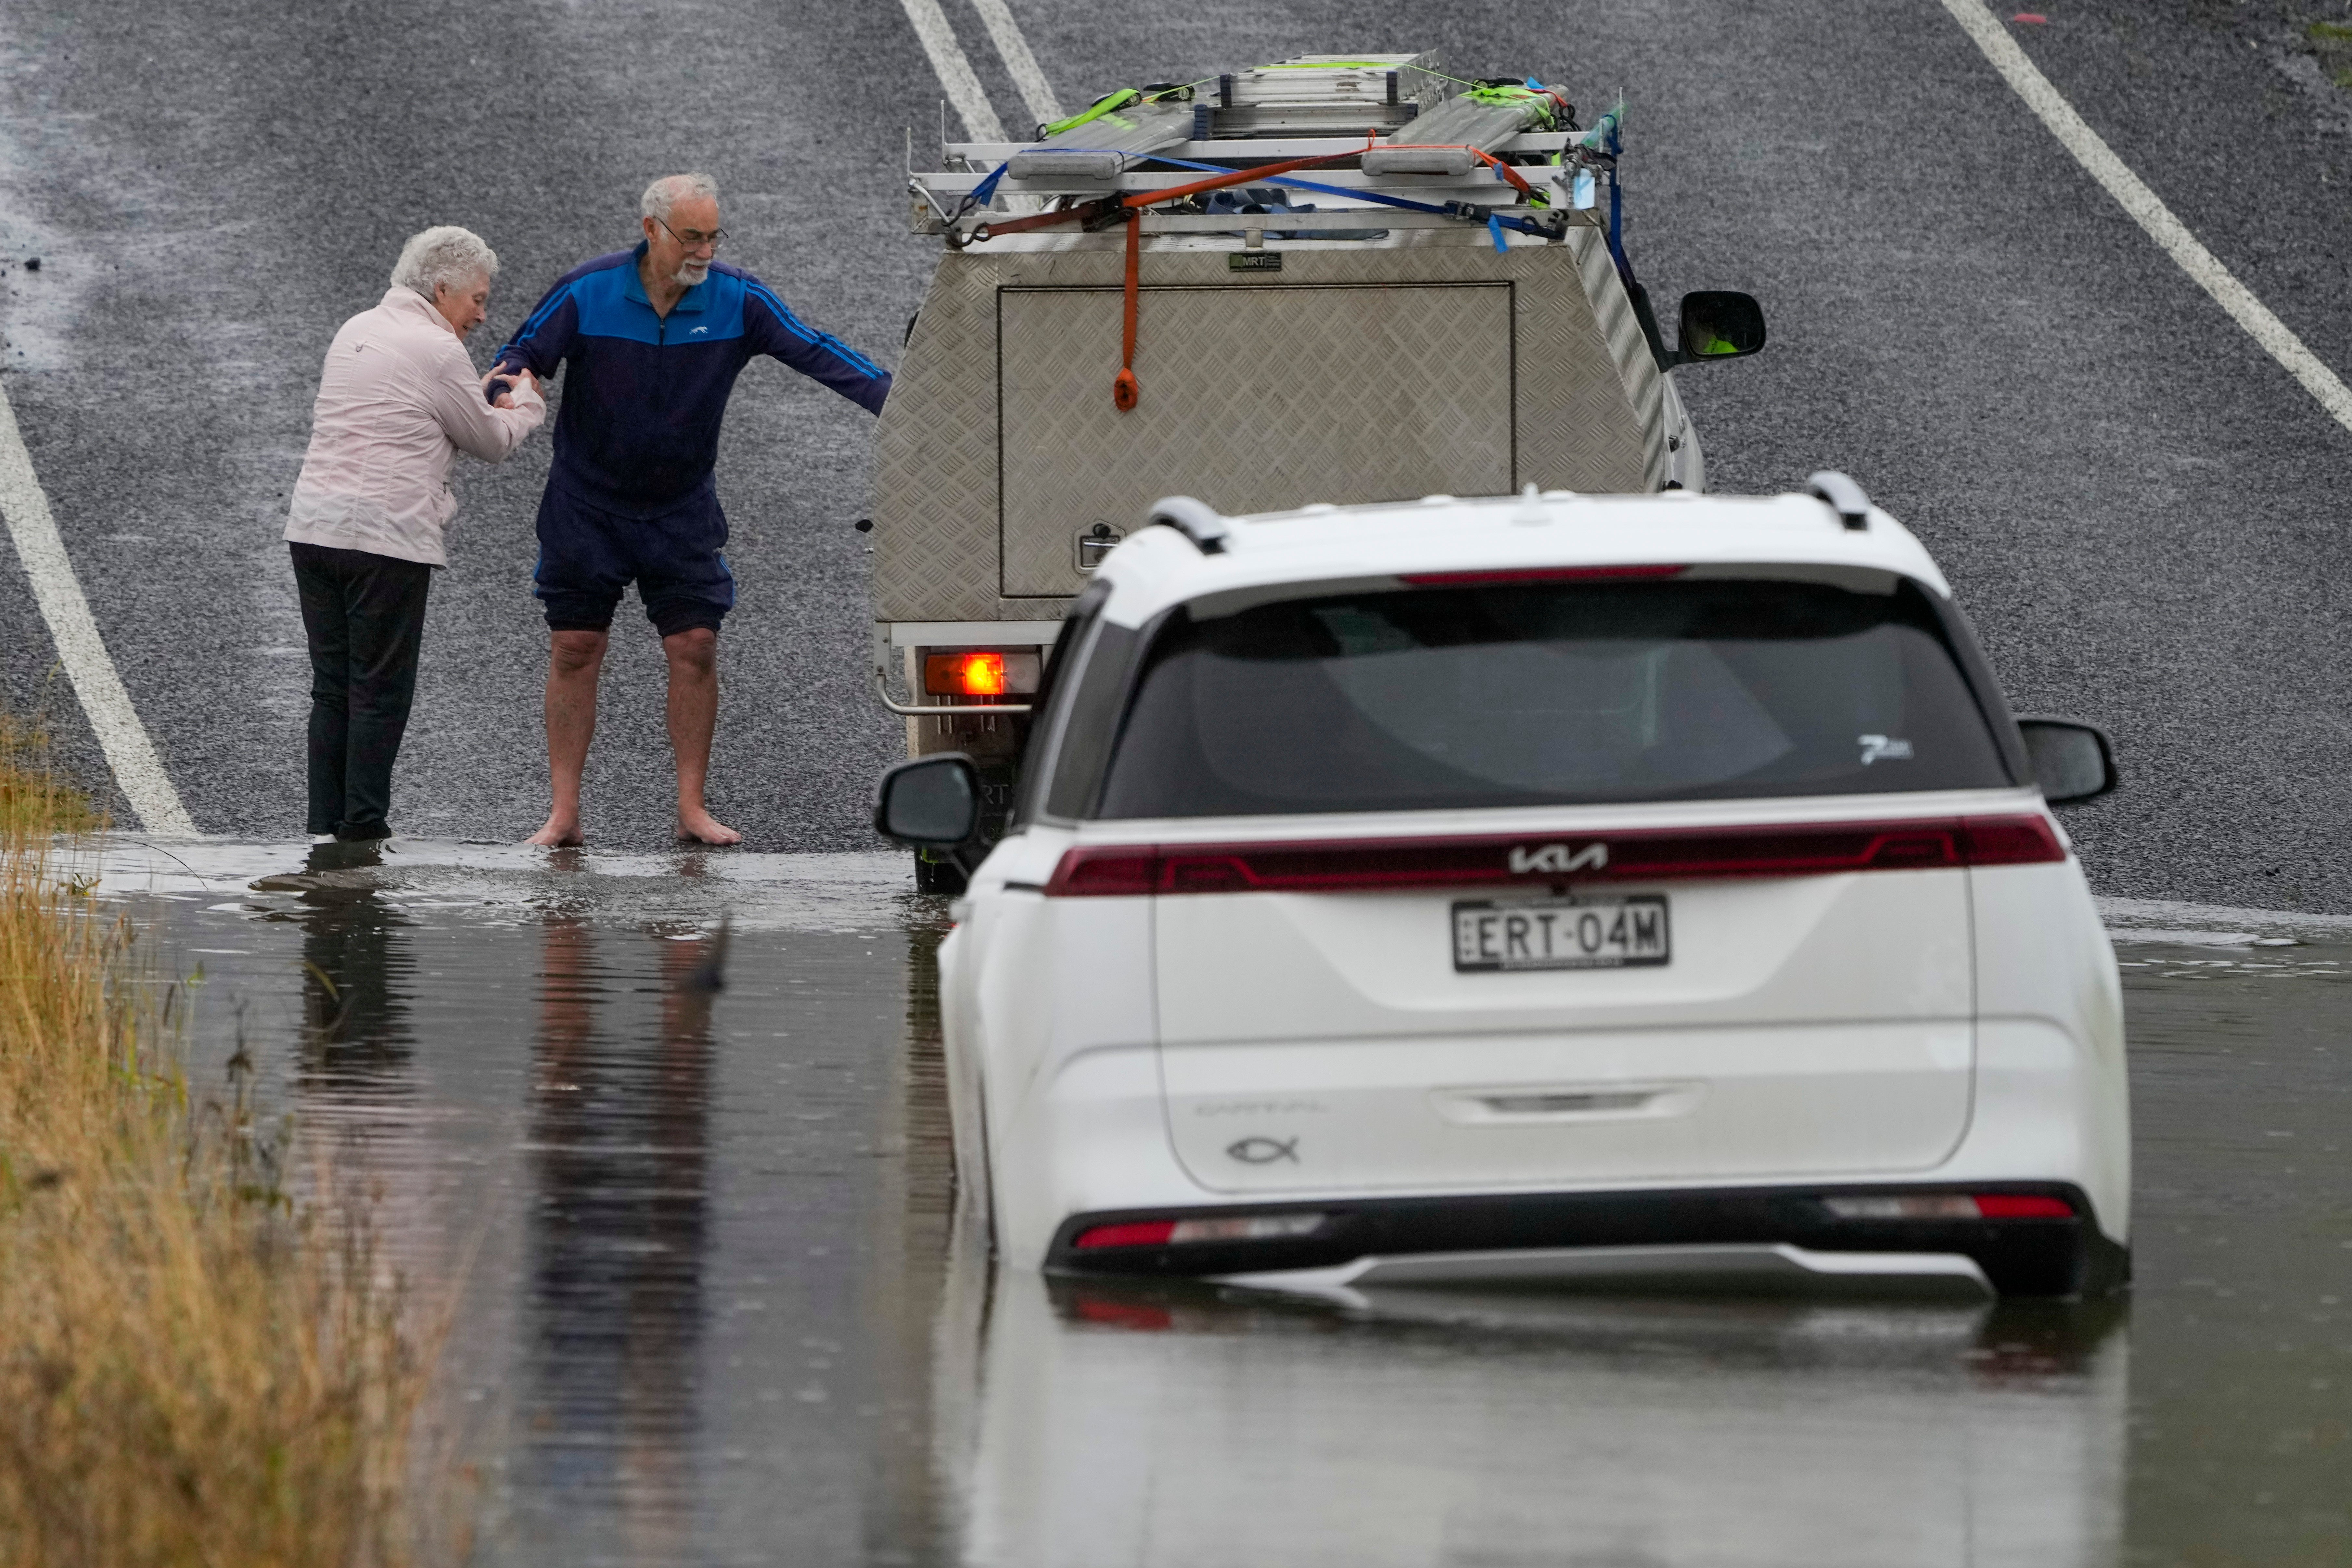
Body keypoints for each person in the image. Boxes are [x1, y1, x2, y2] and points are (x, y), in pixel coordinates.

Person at [492, 173, 891, 847]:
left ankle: (691, 807)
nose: (704, 251)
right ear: (651, 231)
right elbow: (520, 354)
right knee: (575, 647)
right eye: (691, 237)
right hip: (586, 505)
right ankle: (563, 813)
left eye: (713, 237)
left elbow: (819, 351)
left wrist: (908, 407)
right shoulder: (587, 291)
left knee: (696, 646)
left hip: (680, 507)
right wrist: (509, 387)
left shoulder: (738, 299)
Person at [285, 226, 545, 842]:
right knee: (379, 690)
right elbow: (488, 440)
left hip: (315, 528)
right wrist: (527, 404)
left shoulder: (356, 328)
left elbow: (414, 408)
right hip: (385, 537)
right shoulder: (439, 350)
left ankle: (326, 829)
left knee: (333, 689)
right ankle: (364, 830)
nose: (483, 314)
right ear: (441, 288)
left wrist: (475, 399)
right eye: (478, 300)